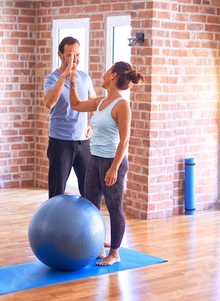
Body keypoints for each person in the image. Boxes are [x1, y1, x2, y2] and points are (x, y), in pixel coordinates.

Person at [68, 57, 144, 266]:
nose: (102, 75)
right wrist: (73, 82)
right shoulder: (101, 101)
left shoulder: (122, 105)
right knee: (91, 204)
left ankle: (115, 253)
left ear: (113, 75)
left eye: (106, 71)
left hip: (113, 162)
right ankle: (98, 245)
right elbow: (75, 104)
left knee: (113, 207)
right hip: (95, 159)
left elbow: (125, 139)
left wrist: (114, 168)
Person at [43, 37, 96, 198]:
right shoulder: (52, 79)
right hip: (60, 142)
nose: (75, 59)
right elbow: (49, 103)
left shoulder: (85, 78)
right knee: (57, 190)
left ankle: (89, 223)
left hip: (83, 141)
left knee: (89, 189)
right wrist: (65, 76)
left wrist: (92, 125)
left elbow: (95, 105)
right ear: (60, 55)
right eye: (70, 55)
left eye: (78, 54)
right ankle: (54, 222)